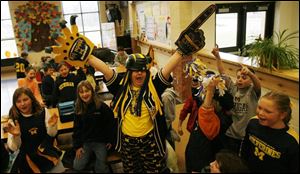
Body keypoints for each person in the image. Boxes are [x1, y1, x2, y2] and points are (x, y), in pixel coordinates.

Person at [46, 11, 209, 172]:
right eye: (135, 70)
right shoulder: (120, 87)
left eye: (142, 70)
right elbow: (105, 69)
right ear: (129, 72)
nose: (139, 73)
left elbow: (167, 69)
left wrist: (180, 52)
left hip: (150, 141)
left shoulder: (154, 86)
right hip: (127, 142)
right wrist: (87, 57)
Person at [212, 46, 261, 154]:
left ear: (250, 80)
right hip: (231, 133)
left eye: (244, 77)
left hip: (247, 135)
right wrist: (217, 56)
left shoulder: (252, 92)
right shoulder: (234, 88)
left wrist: (250, 73)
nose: (240, 79)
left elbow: (258, 84)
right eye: (238, 77)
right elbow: (223, 73)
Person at [4, 87, 65, 173]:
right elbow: (13, 148)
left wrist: (52, 126)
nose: (22, 104)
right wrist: (16, 136)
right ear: (15, 104)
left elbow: (52, 134)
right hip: (27, 158)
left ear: (32, 99)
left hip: (45, 150)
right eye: (18, 101)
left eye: (25, 100)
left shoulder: (43, 112)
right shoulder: (13, 120)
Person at [240, 91, 299, 173]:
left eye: (268, 111)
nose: (260, 113)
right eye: (259, 108)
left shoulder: (292, 141)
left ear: (282, 115)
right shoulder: (253, 122)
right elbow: (245, 148)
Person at [72, 80, 116, 173]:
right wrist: (77, 146)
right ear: (78, 94)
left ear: (92, 91)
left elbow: (111, 123)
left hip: (100, 141)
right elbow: (76, 129)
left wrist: (110, 140)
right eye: (81, 92)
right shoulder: (78, 108)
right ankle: (91, 157)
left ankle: (96, 162)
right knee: (77, 166)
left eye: (87, 91)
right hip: (86, 142)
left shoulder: (101, 106)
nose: (84, 94)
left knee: (101, 168)